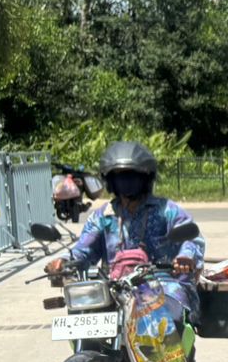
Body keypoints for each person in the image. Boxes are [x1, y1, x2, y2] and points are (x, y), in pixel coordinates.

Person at [45, 139, 205, 327]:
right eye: (119, 175)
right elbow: (83, 250)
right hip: (116, 286)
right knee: (83, 310)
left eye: (132, 175)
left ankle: (175, 354)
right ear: (111, 180)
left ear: (145, 178)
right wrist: (64, 261)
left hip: (163, 284)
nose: (126, 180)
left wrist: (186, 257)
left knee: (165, 319)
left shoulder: (167, 210)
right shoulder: (103, 216)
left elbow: (192, 238)